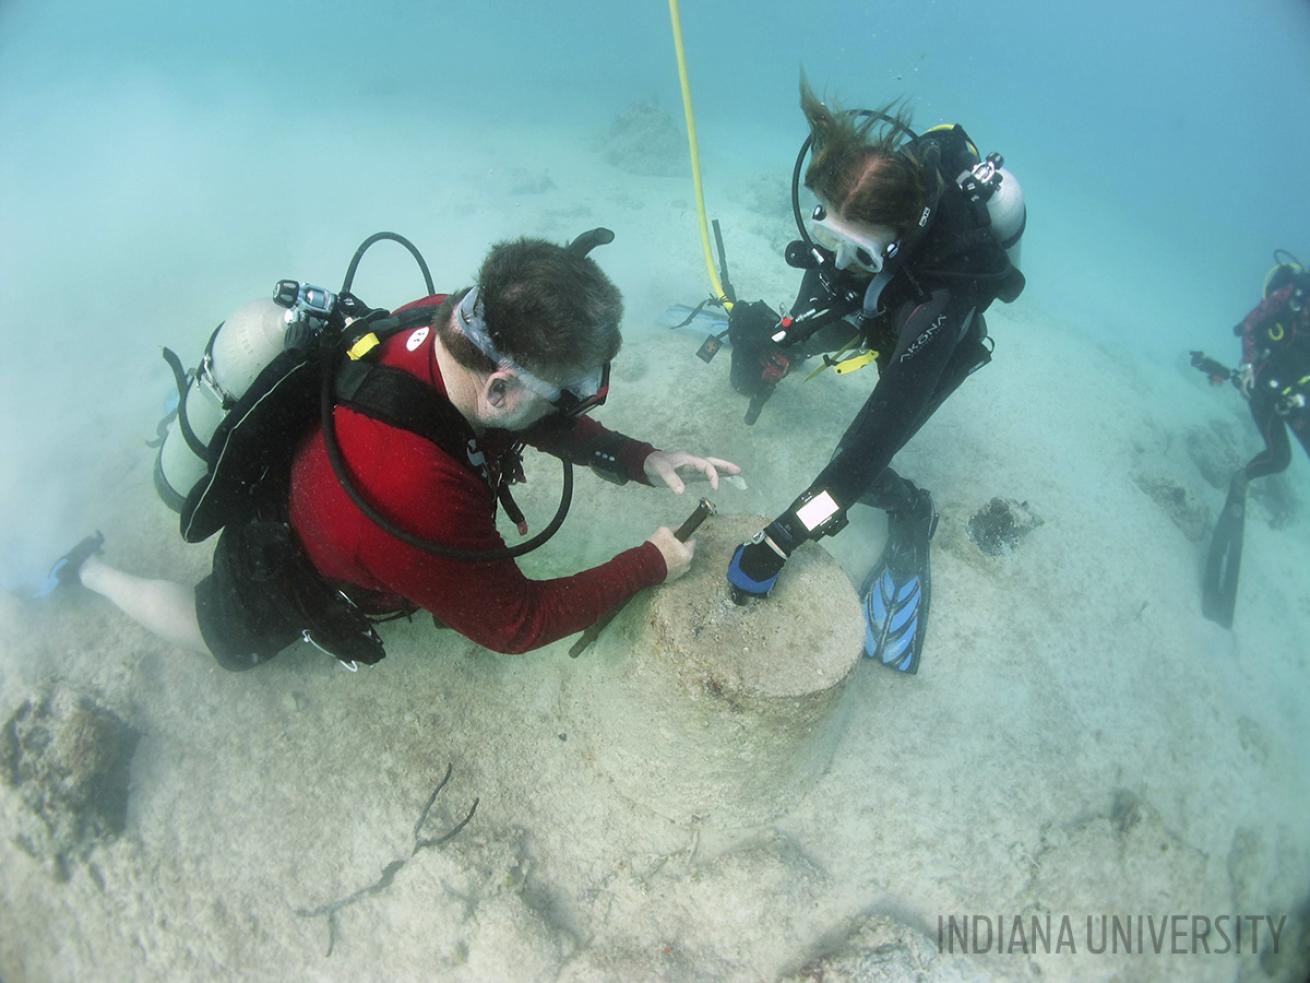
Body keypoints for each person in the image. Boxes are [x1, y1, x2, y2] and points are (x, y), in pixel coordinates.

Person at [48, 236, 739, 669]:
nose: (582, 405)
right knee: (222, 640)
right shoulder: (414, 490)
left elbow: (521, 413)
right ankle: (91, 574)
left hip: (320, 459)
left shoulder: (457, 317)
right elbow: (514, 624)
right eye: (573, 394)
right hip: (287, 552)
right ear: (499, 389)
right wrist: (650, 562)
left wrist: (636, 456)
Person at [724, 81, 1026, 673]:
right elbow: (833, 280)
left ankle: (914, 506)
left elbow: (863, 451)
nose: (836, 261)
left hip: (926, 334)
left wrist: (783, 538)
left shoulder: (939, 305)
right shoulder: (857, 237)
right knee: (800, 324)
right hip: (882, 295)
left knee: (867, 451)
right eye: (828, 235)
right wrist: (789, 338)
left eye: (856, 250)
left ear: (900, 241)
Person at [1201, 255, 1310, 627]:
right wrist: (1247, 365)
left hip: (1295, 392)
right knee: (1279, 459)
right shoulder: (1294, 293)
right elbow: (1251, 322)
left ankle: (1219, 371)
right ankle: (1241, 480)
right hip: (1264, 384)